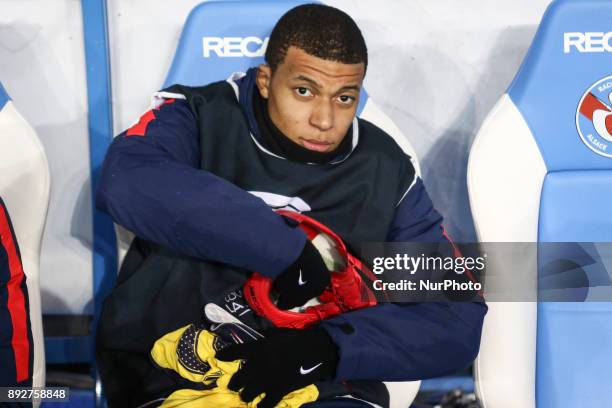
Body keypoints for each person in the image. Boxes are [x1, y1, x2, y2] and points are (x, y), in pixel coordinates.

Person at [96, 4, 487, 408]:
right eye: (304, 91)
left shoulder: (385, 171)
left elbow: (452, 315)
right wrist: (284, 249)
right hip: (175, 381)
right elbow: (126, 180)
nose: (324, 119)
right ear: (265, 81)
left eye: (344, 97)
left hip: (324, 388)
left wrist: (328, 348)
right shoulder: (198, 118)